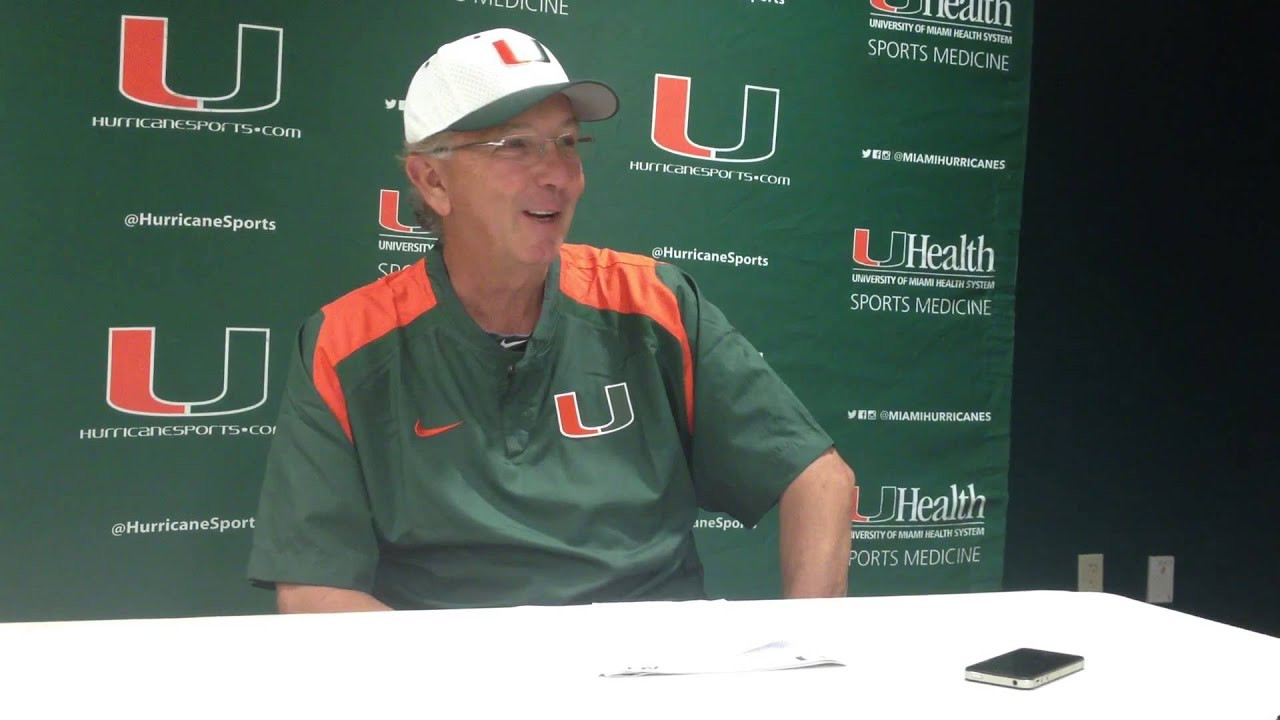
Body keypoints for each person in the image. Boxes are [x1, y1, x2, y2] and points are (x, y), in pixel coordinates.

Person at [247, 28, 855, 613]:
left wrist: (806, 646)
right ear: (432, 179)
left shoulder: (653, 303)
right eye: (514, 145)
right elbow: (312, 589)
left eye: (567, 142)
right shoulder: (346, 341)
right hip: (457, 679)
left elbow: (819, 479)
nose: (558, 174)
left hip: (653, 670)